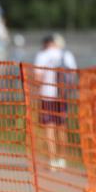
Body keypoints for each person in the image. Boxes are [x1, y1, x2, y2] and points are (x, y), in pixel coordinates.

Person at [33, 33, 77, 169]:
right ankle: (62, 159)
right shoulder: (66, 54)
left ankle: (52, 160)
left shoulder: (42, 55)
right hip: (62, 95)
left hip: (47, 95)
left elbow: (37, 78)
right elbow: (73, 75)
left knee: (49, 127)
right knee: (61, 127)